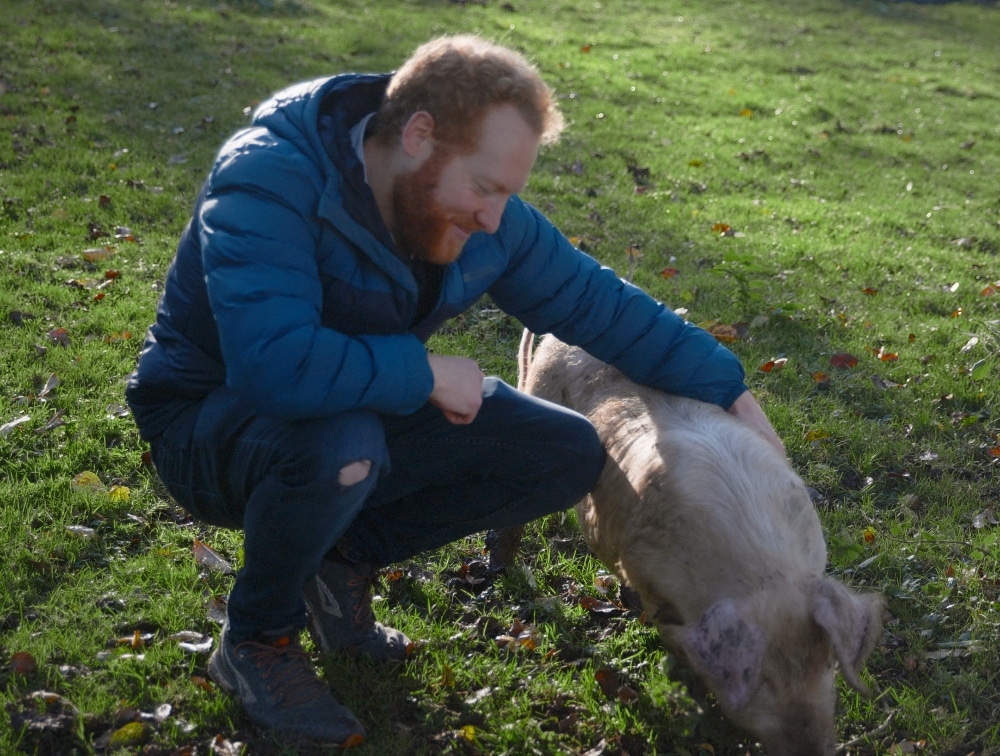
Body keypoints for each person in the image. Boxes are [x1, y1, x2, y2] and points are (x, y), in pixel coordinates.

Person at [125, 34, 784, 746]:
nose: (495, 217)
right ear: (418, 136)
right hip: (208, 423)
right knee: (341, 446)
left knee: (564, 451)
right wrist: (424, 373)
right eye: (486, 187)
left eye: (510, 193)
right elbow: (272, 364)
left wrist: (733, 393)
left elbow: (600, 306)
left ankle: (337, 564)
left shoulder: (476, 217)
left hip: (355, 409)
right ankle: (257, 641)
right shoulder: (268, 178)